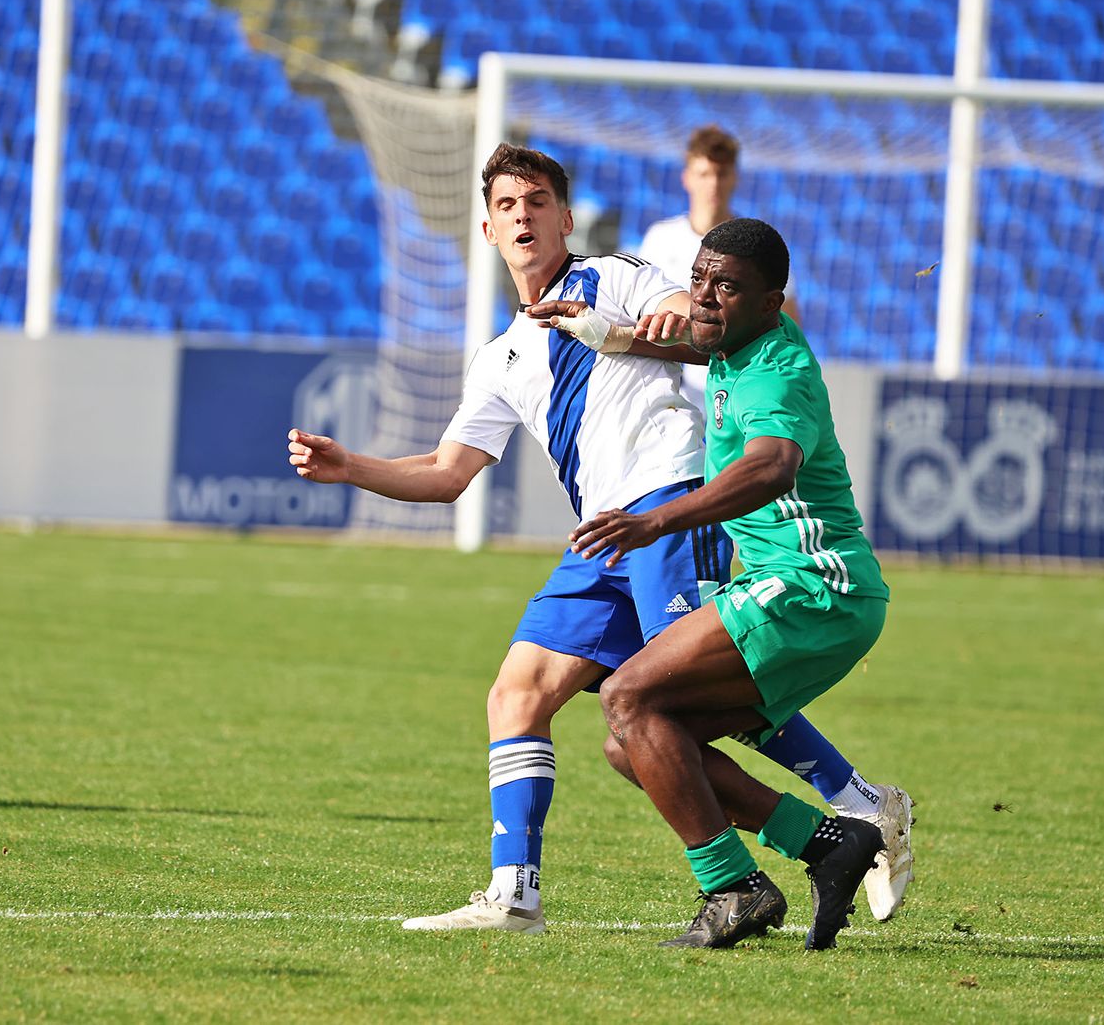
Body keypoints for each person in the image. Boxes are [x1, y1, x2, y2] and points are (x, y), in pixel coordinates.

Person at [288, 145, 909, 935]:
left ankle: (857, 807)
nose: (524, 215)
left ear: (566, 218)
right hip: (602, 535)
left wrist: (646, 318)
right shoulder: (499, 357)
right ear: (487, 227)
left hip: (673, 504)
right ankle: (516, 895)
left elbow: (702, 314)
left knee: (674, 700)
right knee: (521, 694)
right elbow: (447, 472)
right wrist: (353, 468)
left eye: (538, 201)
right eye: (509, 205)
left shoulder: (616, 273)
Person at [561, 217, 893, 949]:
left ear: (772, 303)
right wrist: (604, 332)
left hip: (815, 585)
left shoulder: (775, 369)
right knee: (639, 741)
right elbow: (690, 337)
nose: (705, 298)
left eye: (727, 287)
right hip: (806, 591)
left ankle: (734, 888)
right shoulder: (735, 345)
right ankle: (829, 843)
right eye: (701, 278)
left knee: (626, 695)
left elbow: (772, 465)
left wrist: (657, 522)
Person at [637, 126, 799, 406]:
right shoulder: (660, 239)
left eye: (721, 174)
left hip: (738, 389)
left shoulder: (757, 245)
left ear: (734, 178)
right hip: (670, 392)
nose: (713, 184)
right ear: (687, 178)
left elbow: (789, 324)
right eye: (704, 173)